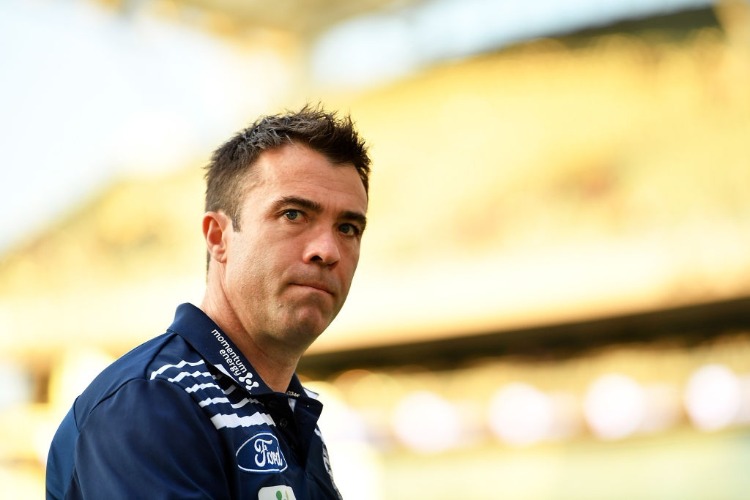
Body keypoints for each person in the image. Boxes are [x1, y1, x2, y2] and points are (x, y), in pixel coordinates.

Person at [46, 105, 372, 499]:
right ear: (219, 237)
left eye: (348, 228)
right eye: (293, 214)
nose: (328, 249)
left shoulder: (292, 412)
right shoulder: (153, 400)